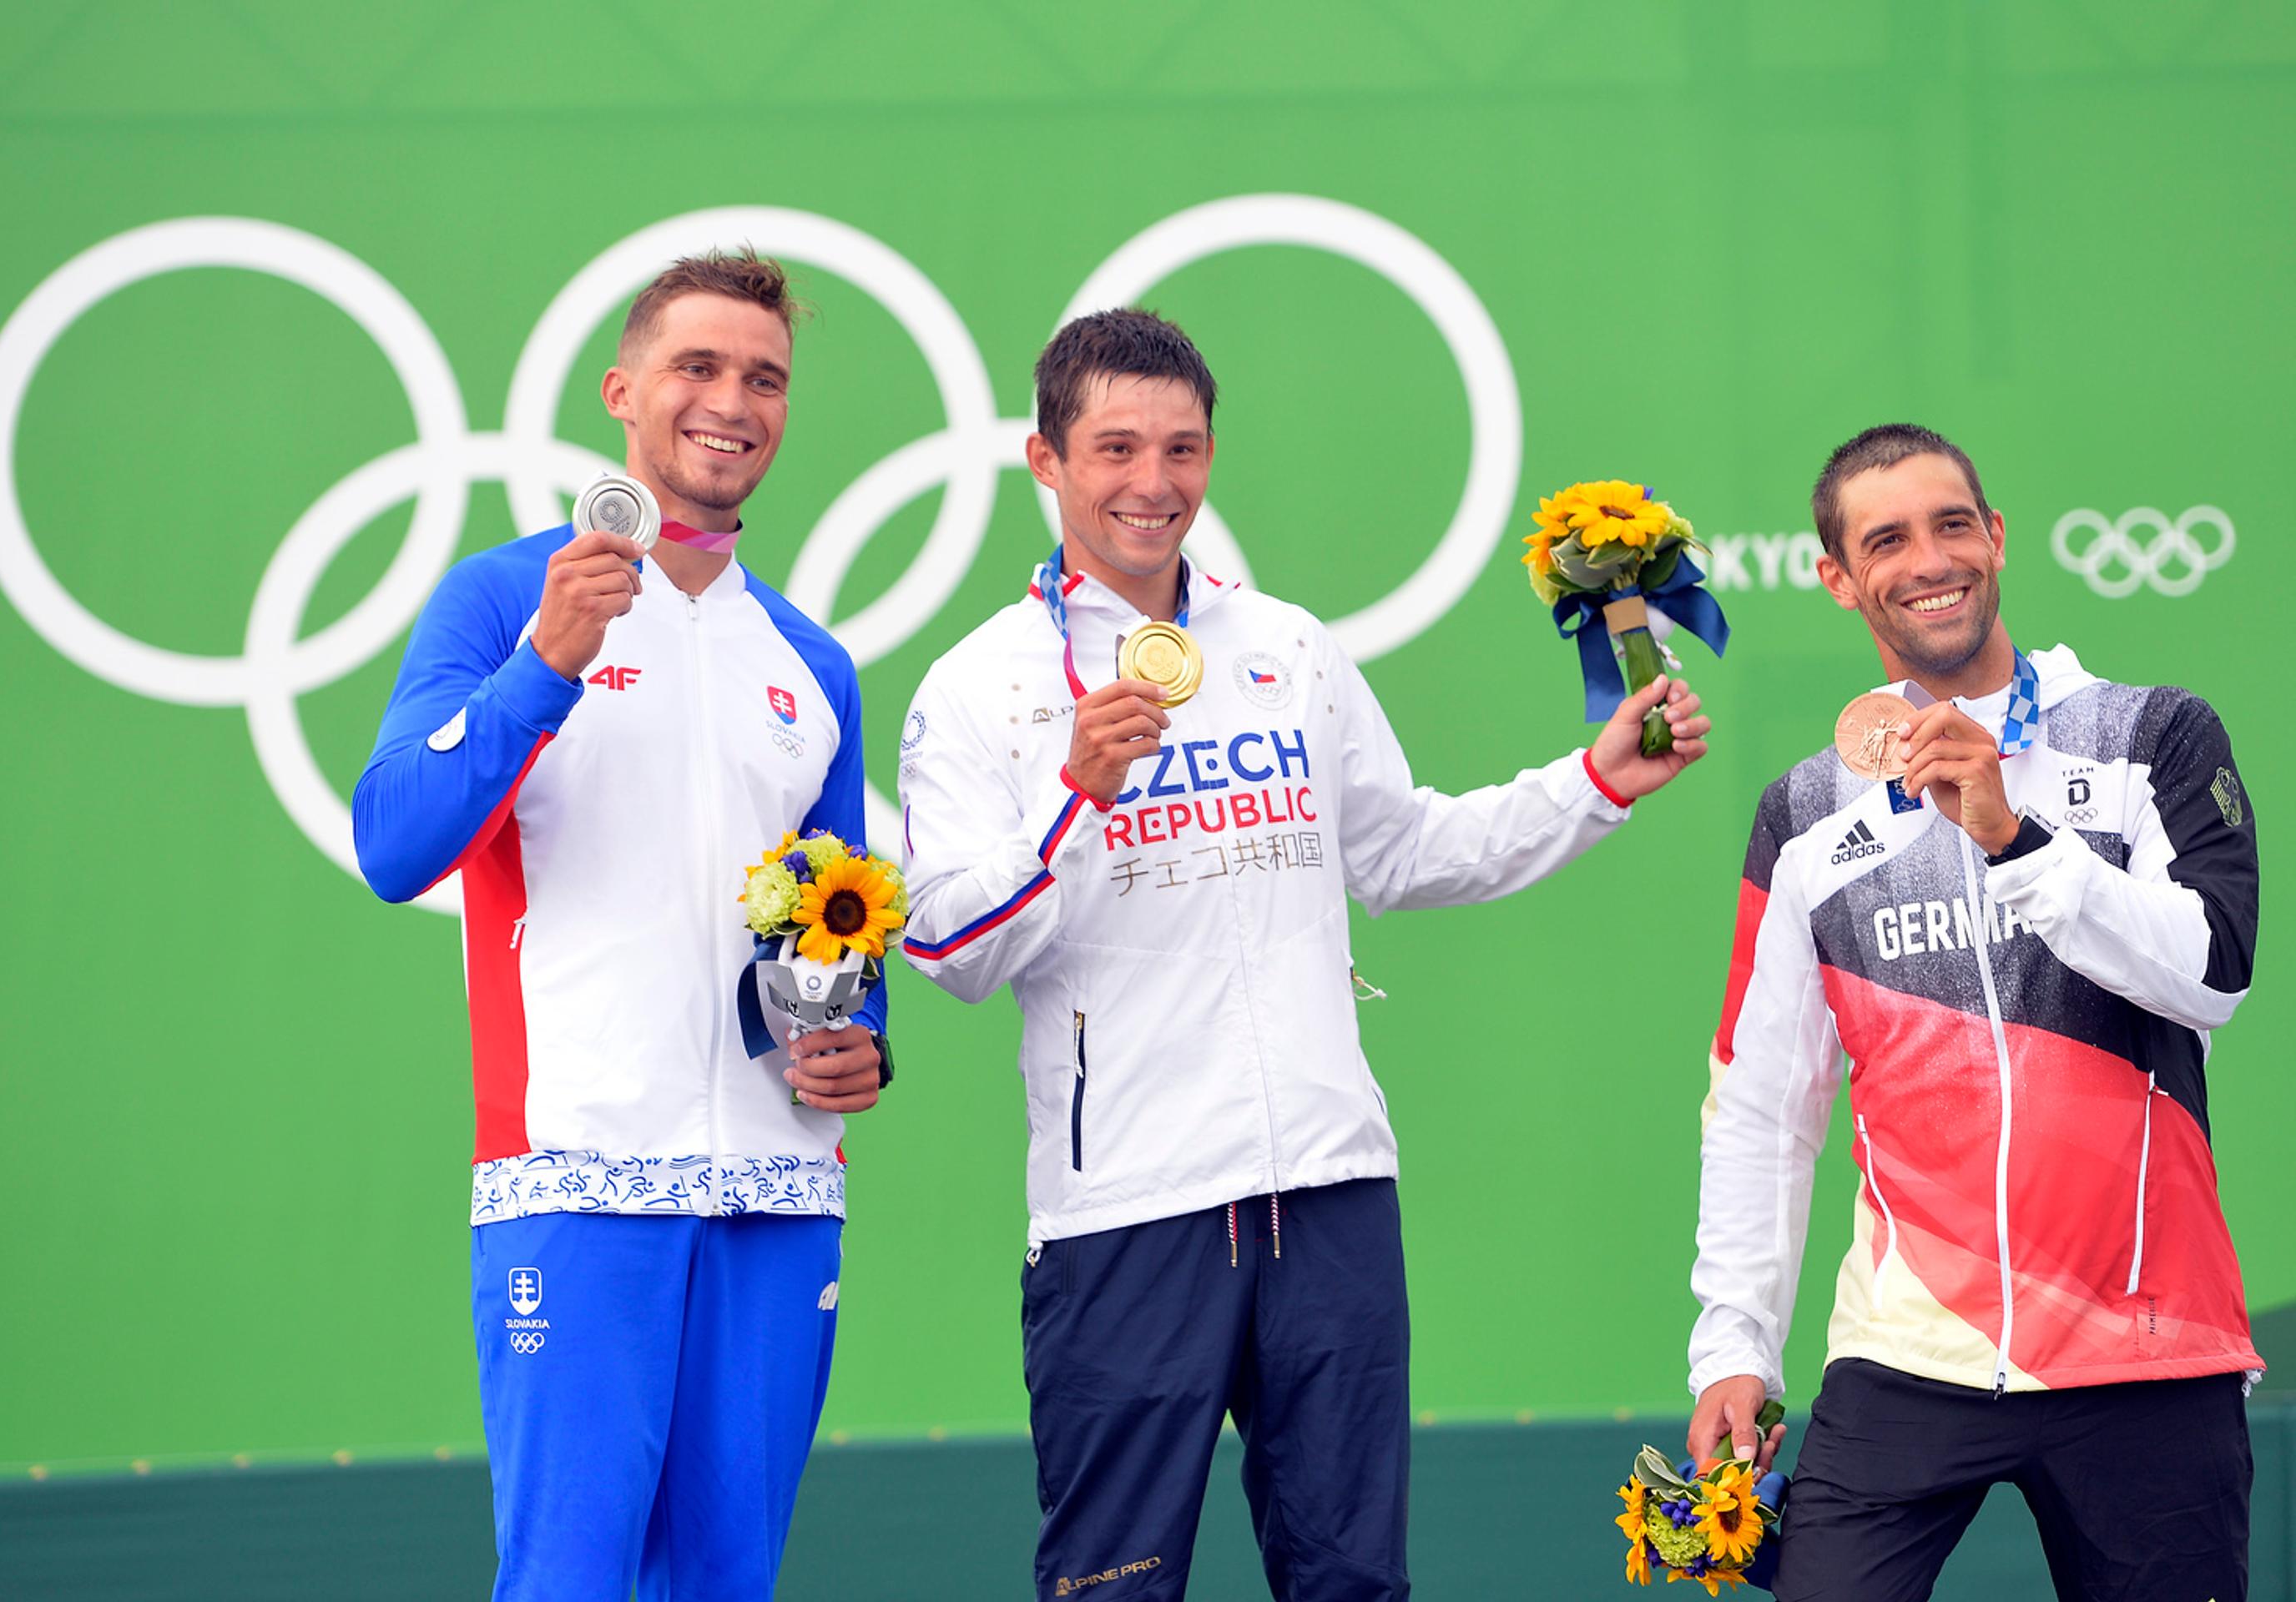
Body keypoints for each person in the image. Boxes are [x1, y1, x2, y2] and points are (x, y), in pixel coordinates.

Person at [896, 308, 1711, 1600]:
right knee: (1113, 1588)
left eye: (1183, 448)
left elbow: (1405, 853)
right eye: (1115, 449)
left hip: (1327, 1194)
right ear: (1044, 461)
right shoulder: (980, 687)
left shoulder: (1286, 649)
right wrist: (1078, 793)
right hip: (1128, 1217)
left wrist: (1593, 785)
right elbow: (946, 945)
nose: (1153, 485)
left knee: (1354, 1585)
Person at [352, 250, 891, 1601]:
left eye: (763, 377)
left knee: (729, 1584)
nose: (734, 401)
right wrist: (545, 667)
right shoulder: (504, 599)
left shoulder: (811, 664)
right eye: (697, 368)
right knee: (571, 1580)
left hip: (779, 1195)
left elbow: (832, 930)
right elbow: (391, 841)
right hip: (580, 1179)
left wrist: (854, 1042)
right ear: (621, 393)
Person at [1687, 424, 2263, 1601]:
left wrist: (2017, 839)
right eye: (1885, 540)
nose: (1929, 559)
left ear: (1995, 540)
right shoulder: (1803, 815)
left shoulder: (2152, 736)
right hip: (1909, 1351)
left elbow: (2213, 975)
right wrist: (1733, 1344)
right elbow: (1761, 1107)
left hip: (2143, 1348)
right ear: (1840, 580)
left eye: (1952, 524)